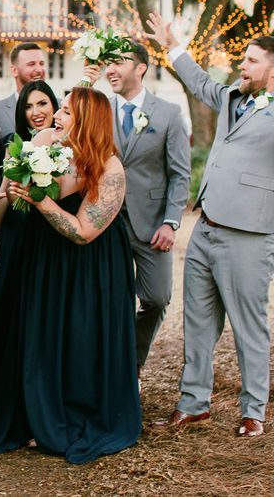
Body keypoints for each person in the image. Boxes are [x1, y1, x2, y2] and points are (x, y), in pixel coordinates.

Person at [0, 87, 140, 464]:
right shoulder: (44, 142)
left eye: (66, 112)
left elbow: (84, 232)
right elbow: (17, 195)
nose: (56, 116)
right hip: (46, 256)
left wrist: (41, 199)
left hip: (91, 266)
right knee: (42, 331)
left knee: (79, 334)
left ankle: (73, 414)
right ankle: (35, 413)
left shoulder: (109, 167)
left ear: (86, 119)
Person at [146, 13, 274, 438]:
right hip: (205, 226)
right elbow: (200, 83)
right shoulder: (235, 97)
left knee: (248, 325)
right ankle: (193, 403)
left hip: (249, 233)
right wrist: (172, 45)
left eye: (252, 61)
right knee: (197, 321)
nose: (243, 65)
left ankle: (253, 410)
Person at [104, 43, 190, 375]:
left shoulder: (168, 113)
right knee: (112, 301)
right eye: (108, 64)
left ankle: (135, 357)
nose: (111, 70)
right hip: (107, 223)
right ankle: (116, 371)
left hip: (153, 223)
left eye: (119, 63)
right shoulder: (99, 109)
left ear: (140, 68)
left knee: (157, 298)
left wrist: (170, 222)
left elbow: (180, 174)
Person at [0, 80, 59, 411]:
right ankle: (5, 393)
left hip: (51, 234)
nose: (36, 112)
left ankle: (41, 390)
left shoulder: (64, 143)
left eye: (42, 104)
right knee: (11, 306)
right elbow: (4, 191)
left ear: (54, 105)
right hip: (19, 231)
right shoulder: (15, 142)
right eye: (28, 106)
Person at [0, 42, 47, 138]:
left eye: (41, 63)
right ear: (14, 71)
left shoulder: (62, 108)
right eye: (31, 64)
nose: (39, 69)